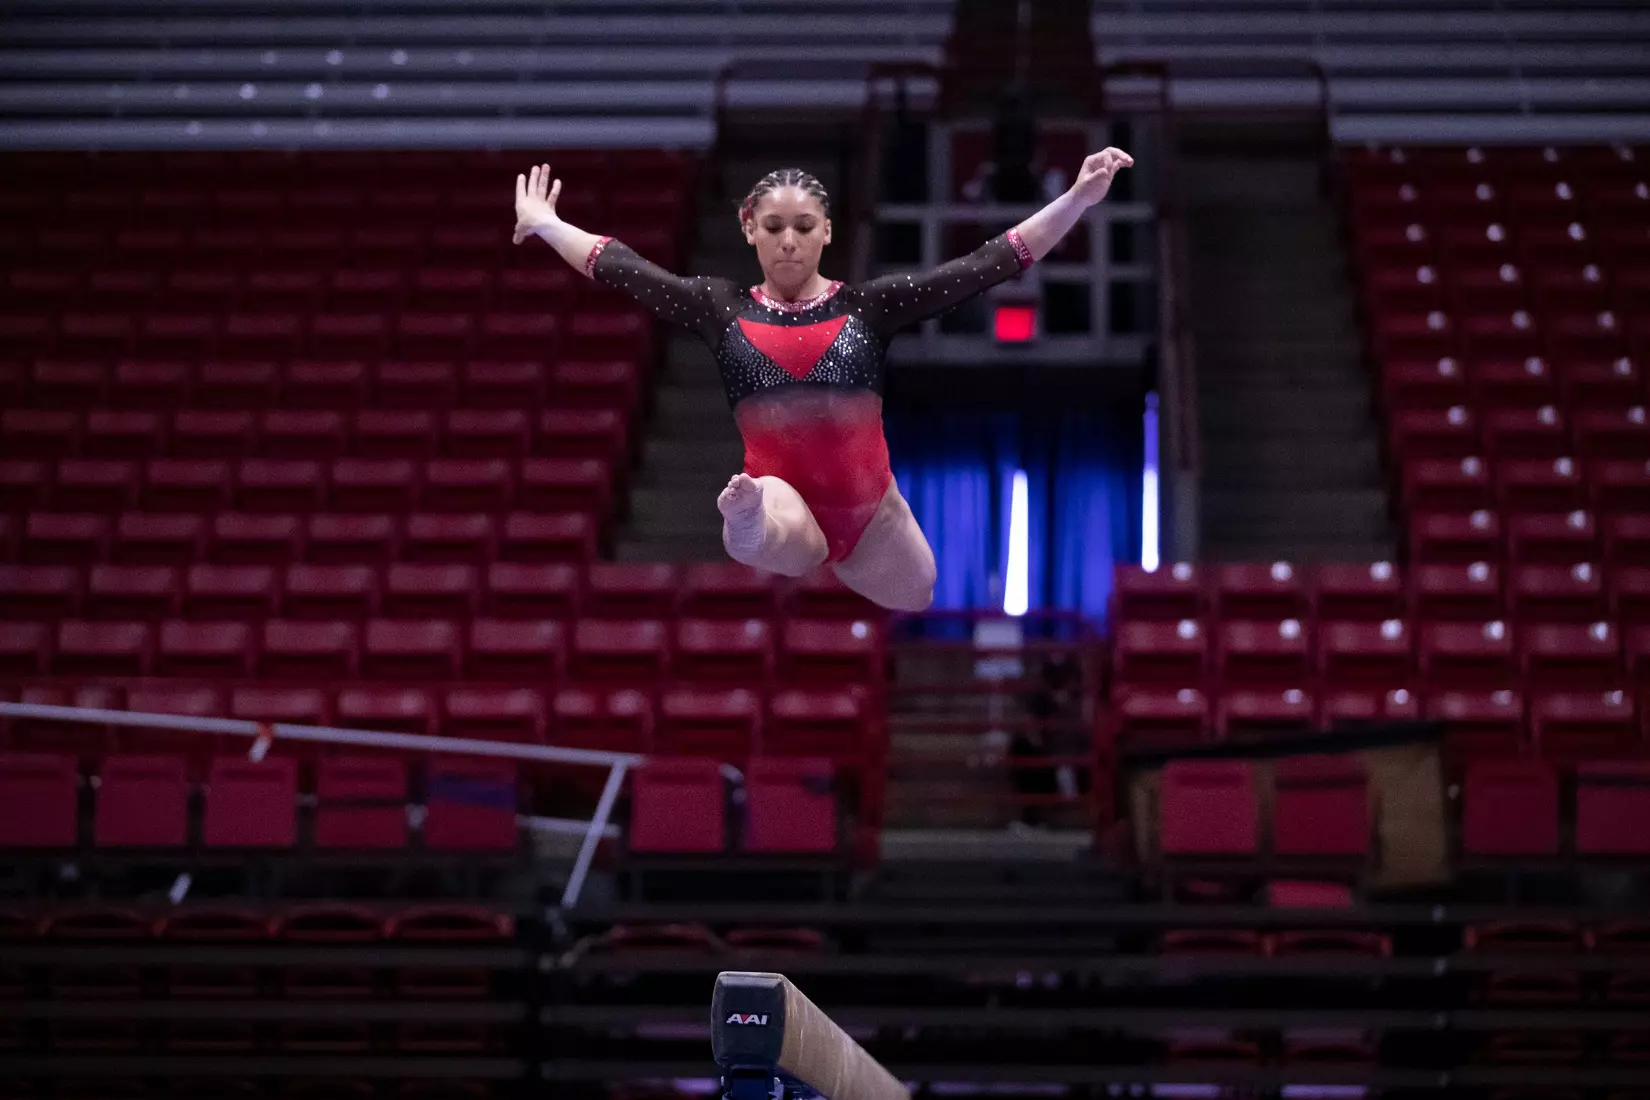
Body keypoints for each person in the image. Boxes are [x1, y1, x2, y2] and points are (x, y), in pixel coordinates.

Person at [510, 147, 1133, 611]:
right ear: (748, 228)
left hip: (874, 515)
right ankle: (745, 515)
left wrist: (1077, 196)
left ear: (827, 231)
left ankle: (764, 522)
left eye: (803, 227)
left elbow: (991, 262)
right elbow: (619, 266)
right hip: (787, 499)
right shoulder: (719, 308)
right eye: (773, 227)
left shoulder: (871, 308)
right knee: (767, 520)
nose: (788, 242)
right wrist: (545, 223)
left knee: (921, 591)